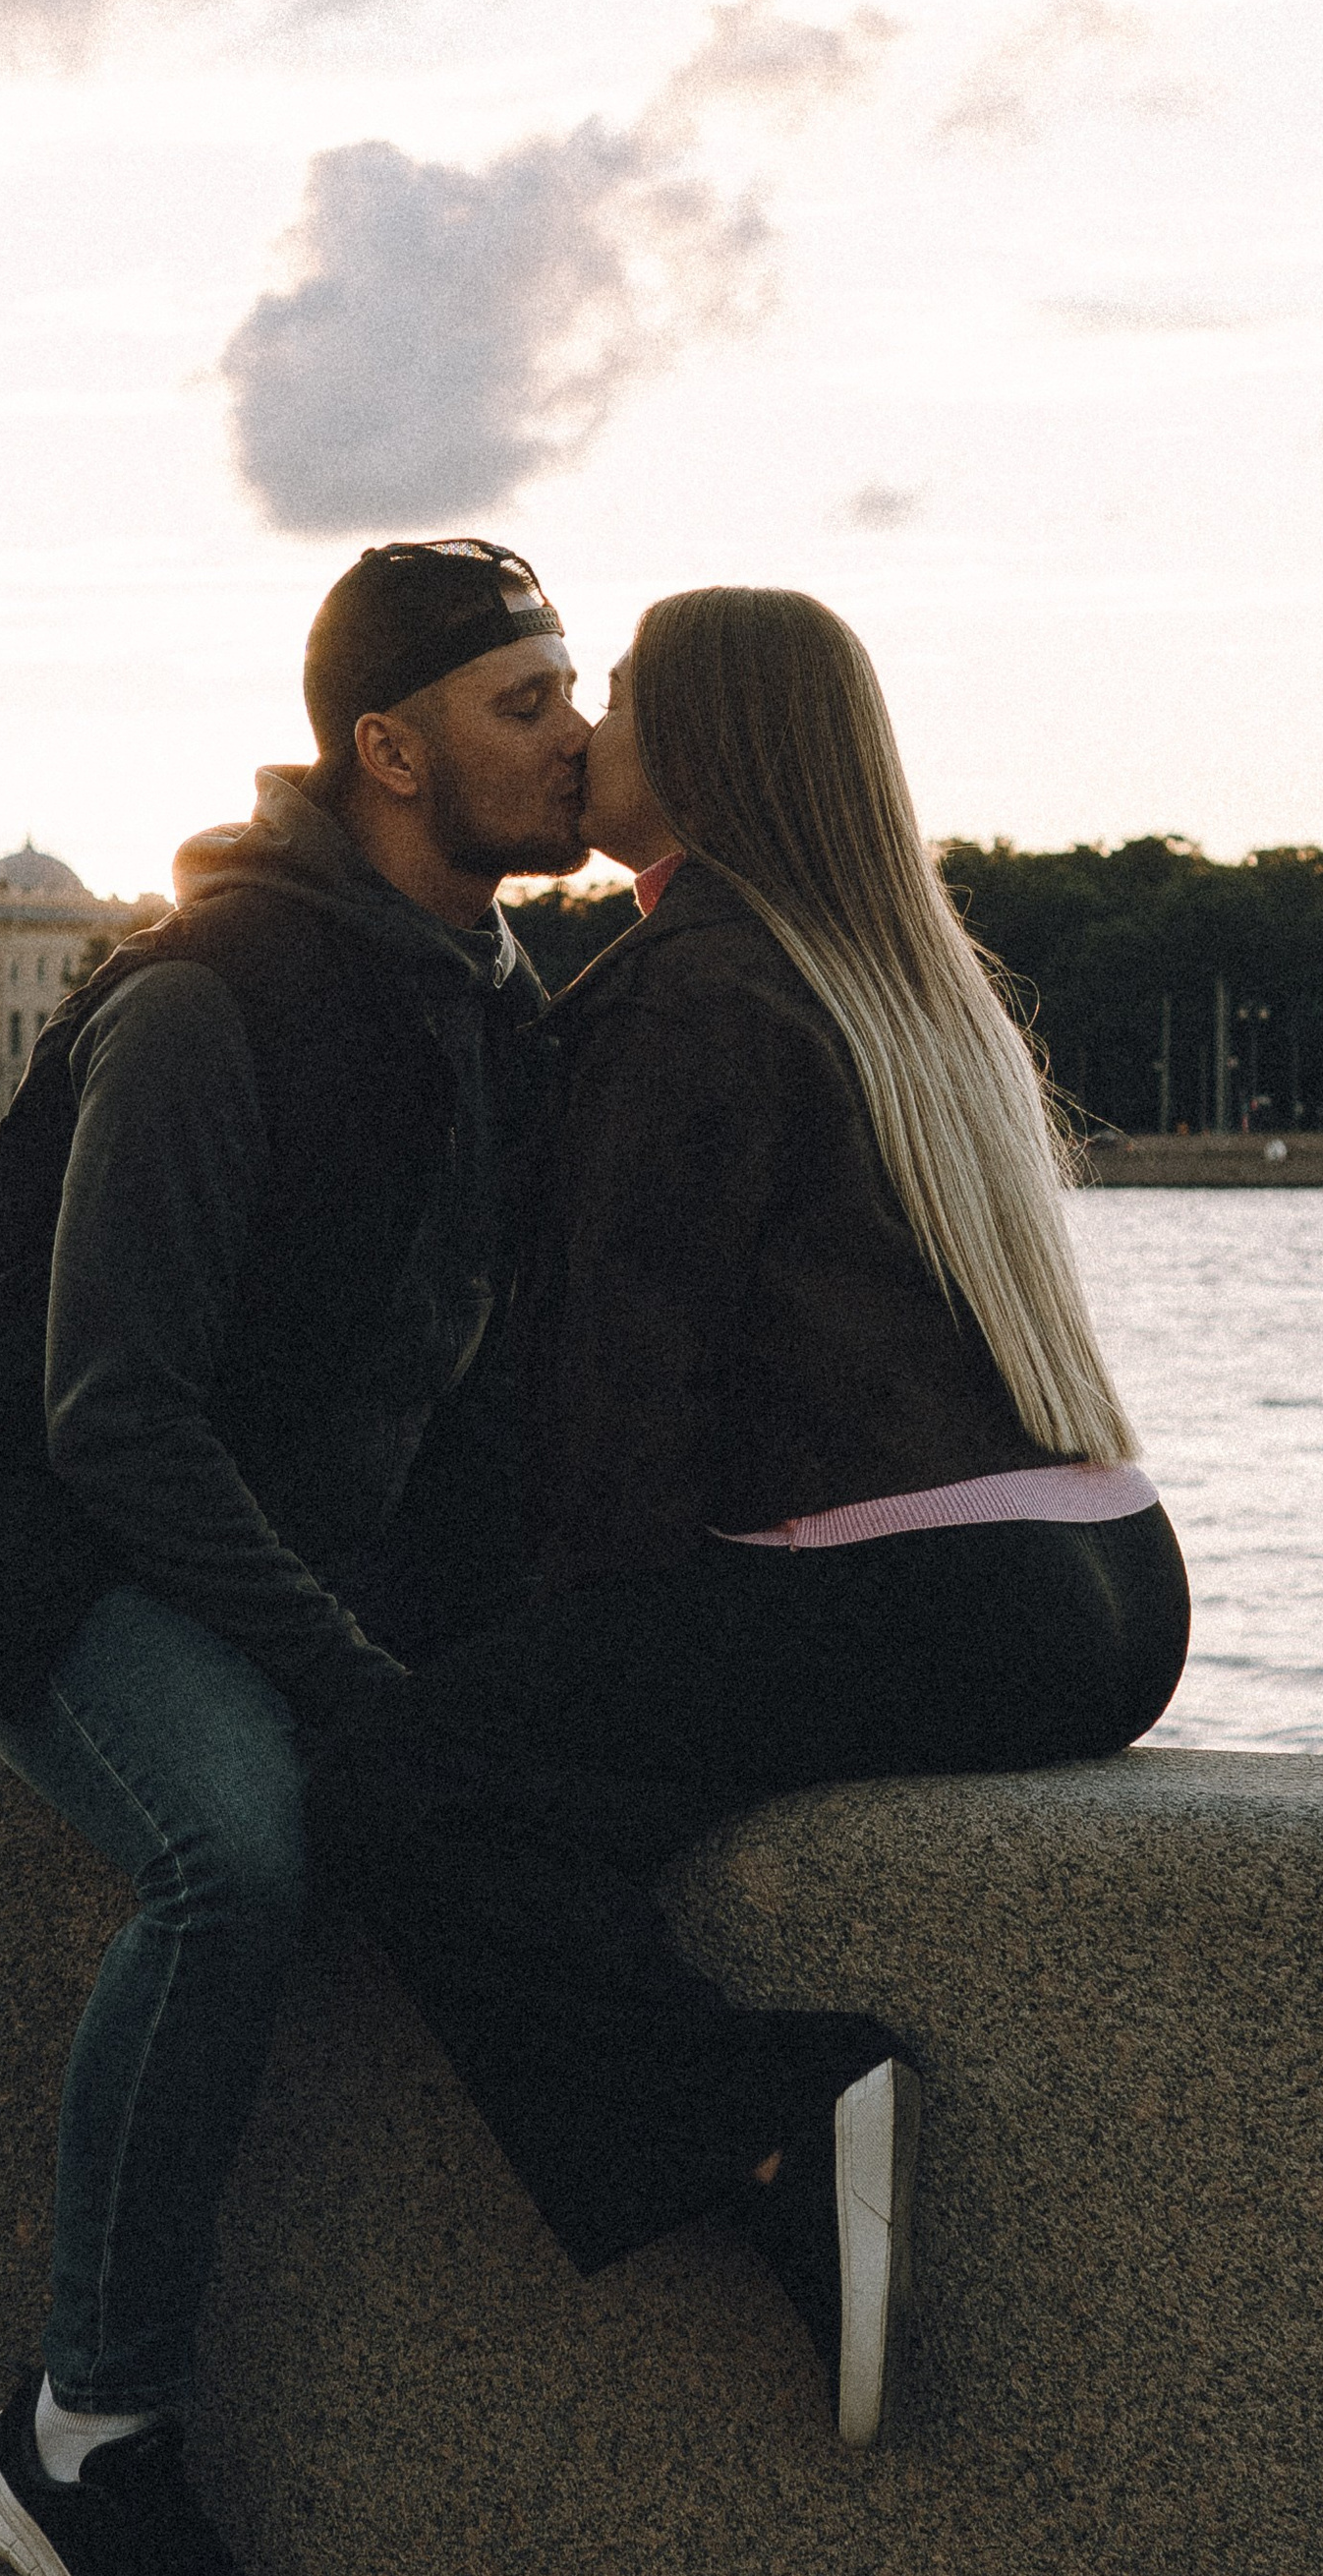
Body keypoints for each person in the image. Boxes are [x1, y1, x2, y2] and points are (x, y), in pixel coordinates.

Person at [312, 583, 1187, 2450]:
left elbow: (623, 1419)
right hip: (1107, 1583)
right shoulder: (891, 969)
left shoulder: (690, 990)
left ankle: (774, 2109)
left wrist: (488, 1661)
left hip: (932, 1593)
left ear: (696, 748)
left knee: (410, 1780)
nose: (581, 737)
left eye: (612, 699)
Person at [0, 538, 591, 2576]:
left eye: (580, 694)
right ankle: (82, 2435)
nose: (577, 742)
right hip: (37, 1560)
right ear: (389, 748)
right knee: (234, 1855)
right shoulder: (210, 994)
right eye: (527, 703)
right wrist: (347, 1675)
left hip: (241, 1561)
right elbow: (111, 1425)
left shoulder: (489, 1002)